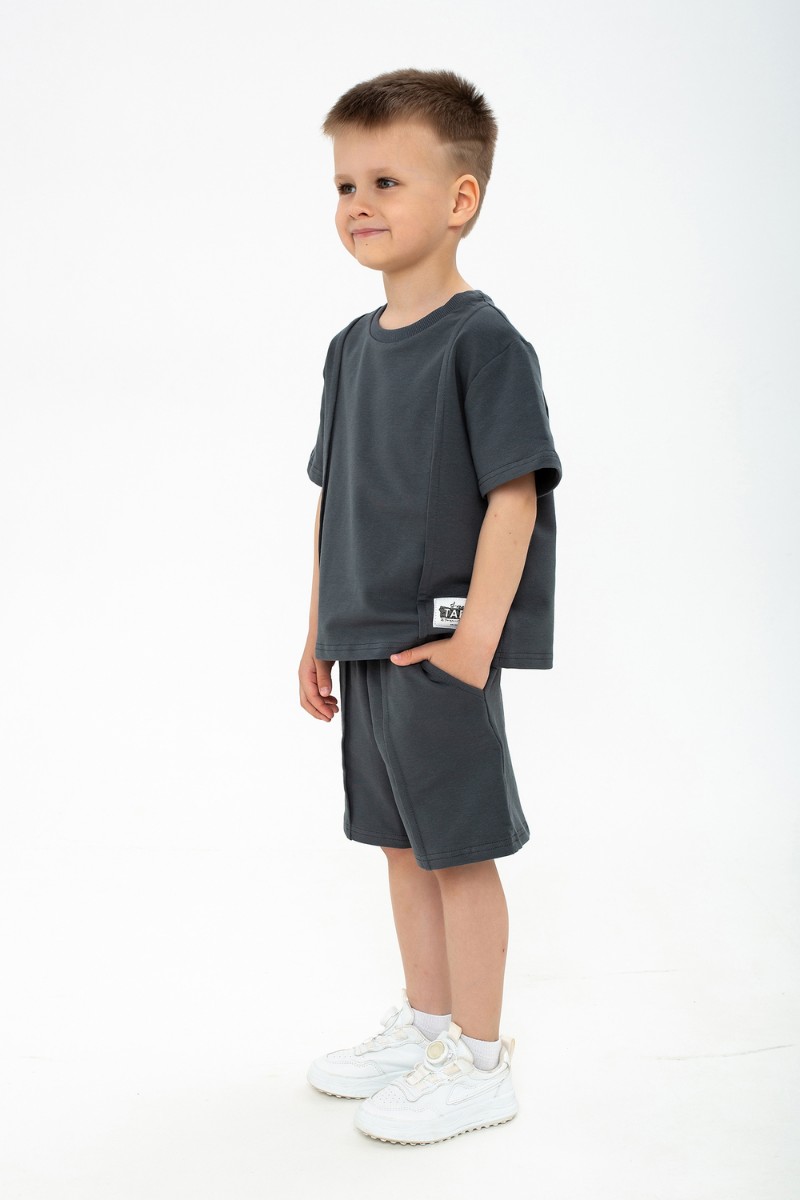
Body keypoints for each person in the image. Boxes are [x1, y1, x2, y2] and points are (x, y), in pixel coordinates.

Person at [298, 67, 563, 1146]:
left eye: (385, 182)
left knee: (456, 849)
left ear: (459, 199)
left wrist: (472, 644)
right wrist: (315, 632)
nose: (358, 203)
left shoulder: (481, 343)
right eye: (344, 183)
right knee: (400, 846)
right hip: (364, 642)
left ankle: (483, 1062)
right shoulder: (349, 349)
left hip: (437, 642)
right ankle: (426, 1027)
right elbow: (332, 499)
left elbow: (514, 495)